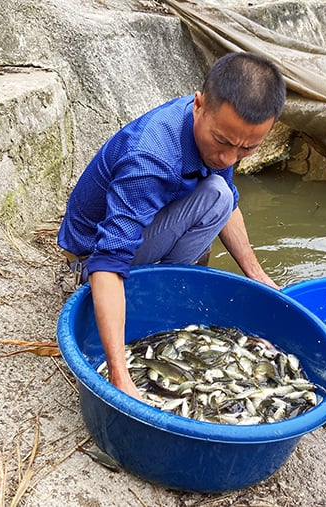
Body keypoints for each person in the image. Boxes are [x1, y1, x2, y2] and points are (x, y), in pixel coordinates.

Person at [57, 52, 286, 399]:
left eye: (247, 149)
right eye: (223, 141)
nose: (228, 158)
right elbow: (108, 259)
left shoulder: (219, 130)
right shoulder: (151, 159)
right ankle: (146, 293)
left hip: (145, 230)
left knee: (220, 194)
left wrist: (258, 277)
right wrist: (120, 377)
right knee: (216, 195)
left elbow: (227, 204)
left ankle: (159, 286)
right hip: (92, 257)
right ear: (199, 104)